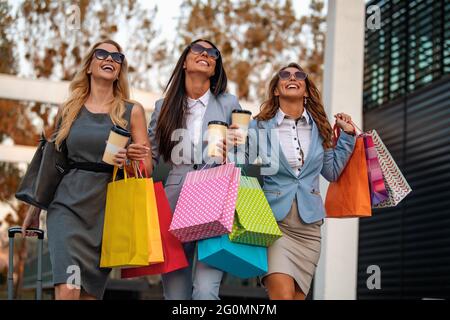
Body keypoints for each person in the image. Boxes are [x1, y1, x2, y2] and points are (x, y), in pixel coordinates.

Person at [21, 39, 151, 300]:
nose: (110, 59)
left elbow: (146, 168)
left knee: (89, 294)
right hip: (66, 208)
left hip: (107, 213)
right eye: (102, 54)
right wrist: (34, 210)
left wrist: (128, 161)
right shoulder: (69, 109)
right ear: (90, 66)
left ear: (120, 69)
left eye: (117, 57)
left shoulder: (131, 111)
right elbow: (52, 165)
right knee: (69, 288)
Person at [135, 39, 241, 300]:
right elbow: (151, 157)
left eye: (212, 53)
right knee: (175, 295)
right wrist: (134, 155)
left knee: (205, 292)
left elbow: (245, 152)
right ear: (184, 61)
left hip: (216, 200)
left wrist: (234, 150)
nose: (205, 54)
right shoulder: (164, 107)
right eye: (198, 50)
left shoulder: (229, 103)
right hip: (174, 203)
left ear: (215, 67)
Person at [250, 62, 356, 300]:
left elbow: (332, 171)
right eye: (285, 75)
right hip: (274, 222)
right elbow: (243, 164)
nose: (292, 77)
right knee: (282, 296)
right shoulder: (259, 125)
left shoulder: (320, 128)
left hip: (309, 227)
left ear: (307, 90)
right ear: (276, 90)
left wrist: (347, 135)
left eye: (299, 75)